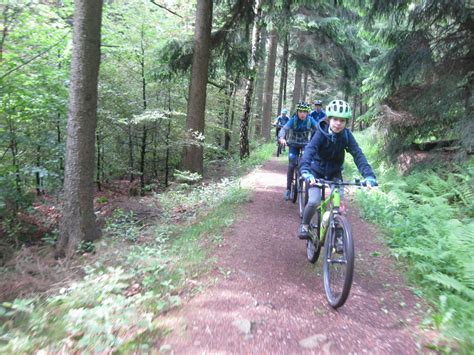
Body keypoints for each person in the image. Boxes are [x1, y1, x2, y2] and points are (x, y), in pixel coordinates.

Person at [297, 99, 377, 239]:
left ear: (346, 122)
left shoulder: (346, 135)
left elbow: (358, 154)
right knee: (314, 200)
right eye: (335, 119)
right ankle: (304, 225)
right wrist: (305, 171)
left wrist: (369, 176)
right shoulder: (321, 133)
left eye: (342, 120)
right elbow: (309, 151)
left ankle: (339, 238)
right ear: (329, 119)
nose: (338, 123)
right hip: (315, 172)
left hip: (335, 173)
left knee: (339, 207)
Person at [278, 101, 318, 200]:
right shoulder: (293, 120)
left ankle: (311, 185)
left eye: (305, 112)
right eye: (300, 111)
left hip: (305, 145)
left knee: (309, 163)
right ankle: (288, 189)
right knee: (291, 165)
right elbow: (284, 129)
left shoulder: (310, 120)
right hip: (293, 145)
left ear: (308, 112)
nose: (302, 114)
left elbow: (319, 129)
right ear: (297, 112)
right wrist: (282, 138)